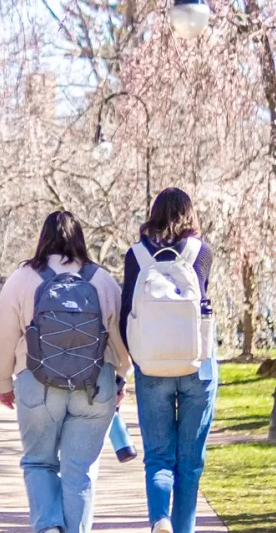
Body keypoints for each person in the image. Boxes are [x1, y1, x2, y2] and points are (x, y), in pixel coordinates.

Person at [0, 211, 130, 533]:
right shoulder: (102, 280)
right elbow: (121, 339)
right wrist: (121, 376)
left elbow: (4, 334)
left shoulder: (23, 277)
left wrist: (3, 381)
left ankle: (50, 526)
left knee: (38, 462)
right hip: (94, 388)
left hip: (37, 385)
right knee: (78, 471)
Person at [120, 188, 216, 533]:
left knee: (159, 456)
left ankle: (160, 519)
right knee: (189, 462)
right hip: (197, 363)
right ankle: (184, 528)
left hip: (152, 367)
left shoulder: (136, 256)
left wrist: (138, 361)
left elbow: (124, 317)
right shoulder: (201, 252)